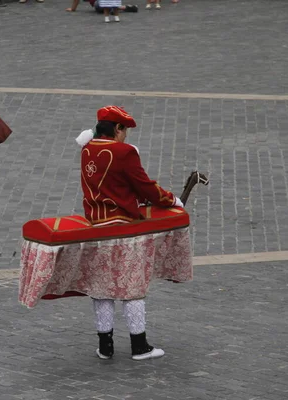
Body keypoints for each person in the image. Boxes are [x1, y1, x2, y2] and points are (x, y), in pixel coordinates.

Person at [77, 105, 183, 360]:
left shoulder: (87, 149)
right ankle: (139, 346)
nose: (126, 136)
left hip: (96, 228)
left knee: (102, 289)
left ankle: (105, 347)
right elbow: (145, 186)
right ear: (117, 128)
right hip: (123, 228)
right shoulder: (123, 152)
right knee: (131, 286)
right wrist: (172, 201)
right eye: (125, 130)